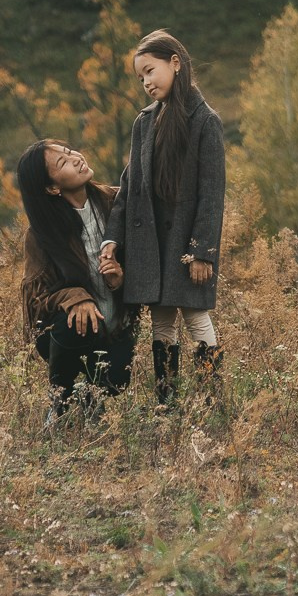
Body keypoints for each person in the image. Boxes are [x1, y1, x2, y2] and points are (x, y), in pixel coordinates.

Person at [101, 29, 225, 407]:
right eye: (140, 78)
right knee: (161, 323)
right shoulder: (144, 122)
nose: (146, 83)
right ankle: (166, 403)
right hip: (150, 244)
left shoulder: (205, 121)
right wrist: (112, 237)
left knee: (196, 319)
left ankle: (212, 403)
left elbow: (212, 193)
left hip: (185, 244)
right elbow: (129, 186)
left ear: (175, 63)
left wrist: (202, 250)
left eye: (150, 71)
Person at [15, 139, 135, 425]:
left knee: (117, 379)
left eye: (69, 152)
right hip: (66, 336)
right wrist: (72, 296)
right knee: (76, 319)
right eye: (63, 162)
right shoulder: (41, 233)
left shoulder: (115, 203)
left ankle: (89, 395)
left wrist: (121, 280)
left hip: (115, 325)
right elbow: (36, 299)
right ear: (51, 188)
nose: (76, 158)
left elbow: (146, 265)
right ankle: (59, 397)